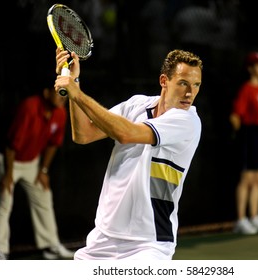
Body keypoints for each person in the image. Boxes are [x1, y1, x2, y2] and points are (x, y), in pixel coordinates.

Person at [54, 48, 203, 260]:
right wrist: (74, 82)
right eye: (183, 83)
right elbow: (83, 134)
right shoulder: (136, 105)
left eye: (196, 85)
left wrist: (78, 94)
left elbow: (125, 134)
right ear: (164, 81)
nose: (190, 92)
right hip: (104, 237)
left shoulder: (188, 122)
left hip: (149, 244)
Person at [0, 84, 75, 260]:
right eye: (59, 94)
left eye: (65, 96)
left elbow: (53, 143)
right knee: (4, 198)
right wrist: (8, 175)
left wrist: (43, 170)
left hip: (31, 161)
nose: (62, 99)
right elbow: (11, 146)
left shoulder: (60, 113)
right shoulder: (30, 107)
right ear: (47, 92)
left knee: (44, 195)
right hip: (5, 158)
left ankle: (50, 246)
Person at [229, 51, 258, 235]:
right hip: (250, 134)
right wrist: (240, 135)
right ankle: (241, 219)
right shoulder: (247, 89)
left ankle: (254, 216)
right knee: (246, 178)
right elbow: (235, 115)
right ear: (250, 68)